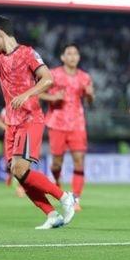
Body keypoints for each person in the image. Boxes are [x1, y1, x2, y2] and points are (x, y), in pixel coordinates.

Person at [0, 5, 75, 229]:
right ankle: (51, 214)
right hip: (11, 123)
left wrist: (27, 93)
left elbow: (48, 79)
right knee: (18, 174)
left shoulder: (28, 53)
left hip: (30, 119)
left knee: (20, 169)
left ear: (1, 34)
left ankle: (64, 196)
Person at [41, 44, 94, 211]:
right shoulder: (53, 74)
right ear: (63, 57)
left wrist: (91, 95)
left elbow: (90, 102)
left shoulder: (85, 77)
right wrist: (53, 97)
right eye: (69, 54)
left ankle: (75, 198)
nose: (72, 56)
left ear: (79, 57)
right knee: (57, 163)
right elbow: (38, 93)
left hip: (77, 124)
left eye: (75, 53)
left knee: (79, 161)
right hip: (57, 123)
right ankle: (57, 183)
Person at [0, 108, 25, 197]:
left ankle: (20, 187)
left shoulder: (24, 109)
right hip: (9, 139)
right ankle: (9, 175)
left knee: (21, 162)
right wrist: (7, 128)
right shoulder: (5, 110)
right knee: (10, 162)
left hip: (21, 137)